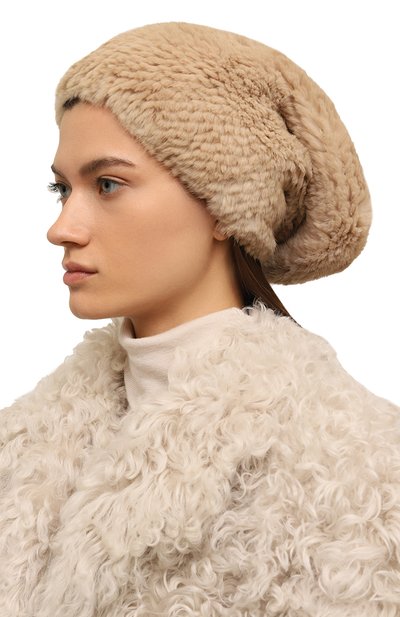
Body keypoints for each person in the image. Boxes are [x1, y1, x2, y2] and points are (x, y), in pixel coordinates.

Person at [1, 21, 399, 617]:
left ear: (226, 205)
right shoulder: (19, 446)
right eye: (62, 189)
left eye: (107, 184)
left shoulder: (364, 476)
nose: (62, 228)